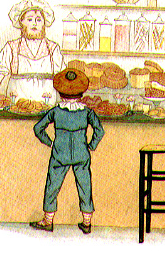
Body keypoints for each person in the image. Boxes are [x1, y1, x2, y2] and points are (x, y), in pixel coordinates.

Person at [30, 68, 105, 234]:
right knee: (85, 186)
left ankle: (48, 220)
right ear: (81, 93)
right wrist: (91, 145)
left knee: (52, 186)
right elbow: (99, 130)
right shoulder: (87, 112)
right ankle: (87, 222)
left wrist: (49, 143)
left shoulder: (56, 111)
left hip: (59, 154)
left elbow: (38, 128)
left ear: (60, 93)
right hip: (81, 154)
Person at [0, 0, 66, 105]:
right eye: (29, 19)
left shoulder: (53, 49)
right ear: (21, 22)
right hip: (17, 107)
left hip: (47, 108)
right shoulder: (11, 48)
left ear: (44, 23)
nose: (34, 23)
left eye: (39, 20)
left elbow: (63, 81)